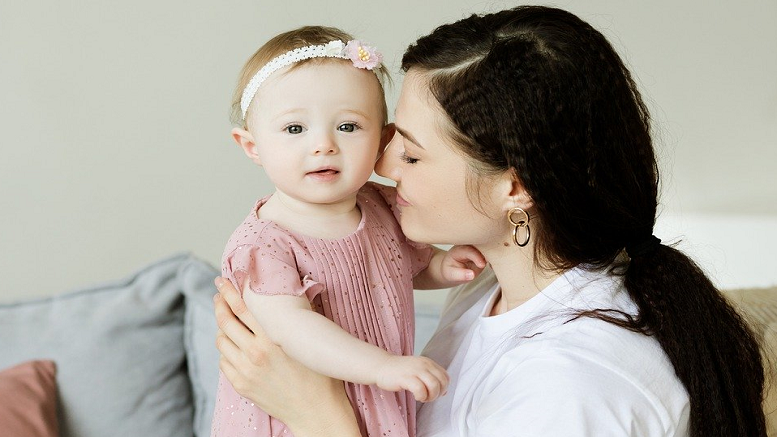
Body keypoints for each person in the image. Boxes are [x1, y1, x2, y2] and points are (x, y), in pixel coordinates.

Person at [213, 6, 767, 437]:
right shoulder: (490, 285)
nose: (378, 167)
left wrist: (318, 416)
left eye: (408, 153)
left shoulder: (571, 392)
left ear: (515, 186)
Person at [210, 25, 488, 437]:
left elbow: (398, 270)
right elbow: (293, 330)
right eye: (294, 129)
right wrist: (382, 366)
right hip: (294, 410)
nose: (323, 145)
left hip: (374, 400)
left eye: (348, 127)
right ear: (252, 146)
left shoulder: (381, 206)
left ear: (383, 141)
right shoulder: (264, 244)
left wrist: (443, 266)